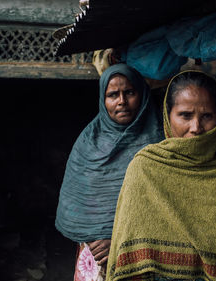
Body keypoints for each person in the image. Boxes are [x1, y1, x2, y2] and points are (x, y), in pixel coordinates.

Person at [105, 70, 216, 281]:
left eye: (207, 116)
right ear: (168, 116)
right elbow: (131, 256)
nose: (196, 128)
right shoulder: (145, 167)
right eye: (185, 115)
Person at [55, 64, 163, 281]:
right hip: (97, 256)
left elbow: (163, 207)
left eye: (129, 93)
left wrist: (119, 239)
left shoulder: (159, 143)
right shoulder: (88, 143)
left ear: (141, 95)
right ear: (103, 101)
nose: (122, 101)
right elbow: (77, 204)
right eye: (113, 95)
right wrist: (98, 235)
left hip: (143, 254)